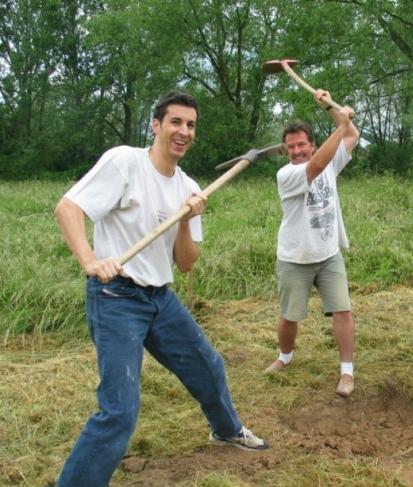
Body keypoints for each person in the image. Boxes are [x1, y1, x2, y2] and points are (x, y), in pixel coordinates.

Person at [53, 91, 267, 487]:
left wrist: (186, 219)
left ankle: (226, 430)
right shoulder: (125, 163)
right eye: (176, 122)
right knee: (120, 410)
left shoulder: (188, 186)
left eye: (190, 125)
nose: (183, 131)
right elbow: (68, 208)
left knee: (209, 365)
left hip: (159, 298)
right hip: (116, 297)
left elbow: (185, 262)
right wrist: (90, 260)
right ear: (156, 125)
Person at [264, 89, 360, 398]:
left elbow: (352, 135)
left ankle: (347, 372)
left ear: (312, 144)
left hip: (328, 254)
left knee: (343, 311)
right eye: (290, 146)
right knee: (290, 316)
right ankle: (285, 356)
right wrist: (340, 123)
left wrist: (330, 105)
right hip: (294, 257)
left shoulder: (331, 163)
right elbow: (316, 165)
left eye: (301, 144)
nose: (296, 150)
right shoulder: (287, 174)